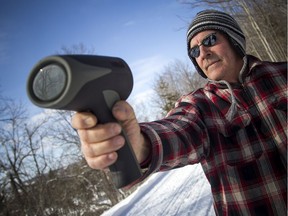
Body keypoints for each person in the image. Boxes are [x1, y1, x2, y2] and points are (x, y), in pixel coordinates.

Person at [72, 10, 287, 216]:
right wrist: (138, 143)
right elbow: (178, 128)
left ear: (234, 39)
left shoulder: (282, 75)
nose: (202, 53)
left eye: (210, 40)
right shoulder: (200, 105)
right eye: (194, 51)